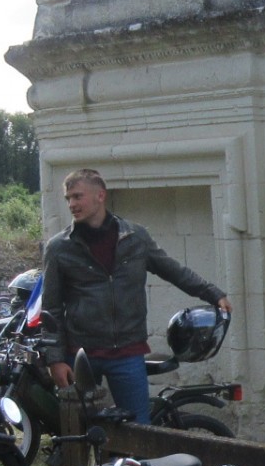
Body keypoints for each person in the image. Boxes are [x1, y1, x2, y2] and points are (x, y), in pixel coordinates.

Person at [40, 168, 231, 423]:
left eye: (77, 196)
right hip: (80, 355)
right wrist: (55, 360)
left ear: (100, 196)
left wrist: (213, 294)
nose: (72, 204)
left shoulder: (135, 237)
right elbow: (50, 308)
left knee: (140, 429)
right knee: (82, 432)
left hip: (126, 353)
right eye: (68, 199)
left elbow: (173, 270)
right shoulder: (59, 247)